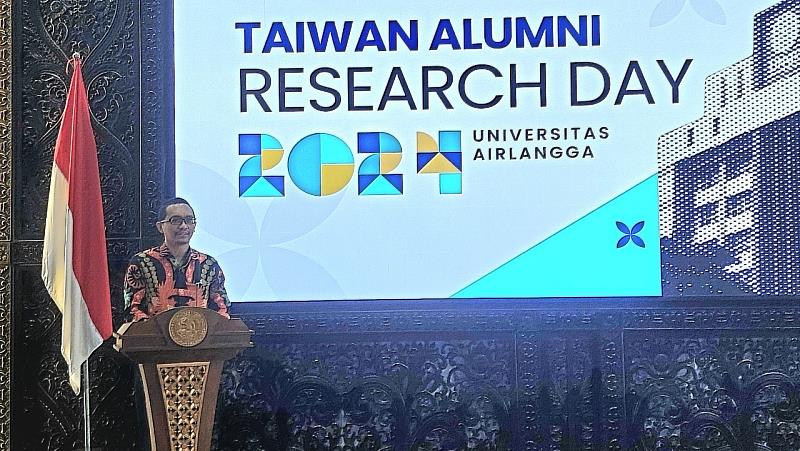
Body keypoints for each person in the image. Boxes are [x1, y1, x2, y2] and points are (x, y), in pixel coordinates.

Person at [123, 196, 230, 320]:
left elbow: (222, 309)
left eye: (189, 220)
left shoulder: (209, 265)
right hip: (154, 332)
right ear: (160, 226)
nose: (184, 226)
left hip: (202, 332)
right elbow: (133, 309)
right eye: (175, 220)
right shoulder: (141, 263)